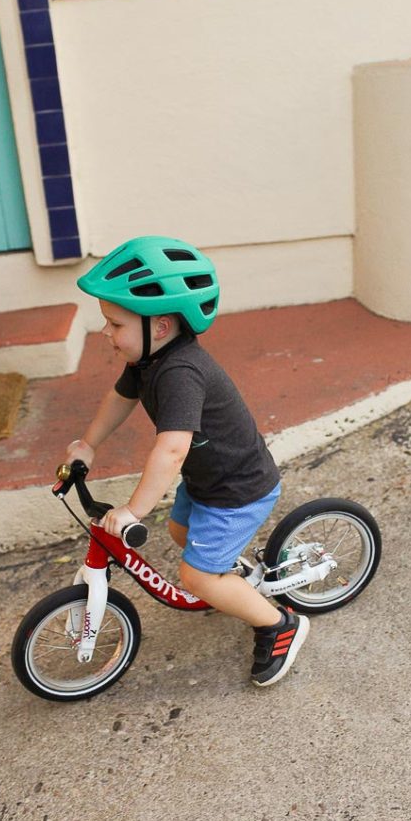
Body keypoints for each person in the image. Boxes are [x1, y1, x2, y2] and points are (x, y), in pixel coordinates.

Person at [66, 235, 308, 686]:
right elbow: (120, 400)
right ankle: (233, 579)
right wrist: (88, 444)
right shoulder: (147, 361)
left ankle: (279, 626)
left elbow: (172, 449)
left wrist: (134, 509)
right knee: (181, 531)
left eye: (115, 324)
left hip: (237, 490)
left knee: (196, 576)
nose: (106, 333)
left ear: (159, 326)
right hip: (206, 482)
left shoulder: (180, 373)